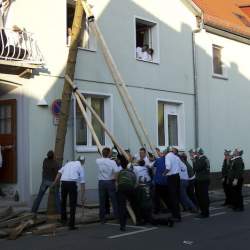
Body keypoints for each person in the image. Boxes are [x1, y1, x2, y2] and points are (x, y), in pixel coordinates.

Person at [53, 156, 85, 230]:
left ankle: (63, 219)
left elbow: (59, 173)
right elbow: (82, 182)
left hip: (63, 183)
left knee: (63, 202)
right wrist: (83, 196)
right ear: (83, 162)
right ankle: (71, 225)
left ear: (77, 159)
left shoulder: (68, 163)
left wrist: (54, 183)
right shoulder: (81, 166)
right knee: (72, 204)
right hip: (72, 184)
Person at [96, 147, 119, 224]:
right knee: (113, 200)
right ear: (109, 154)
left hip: (101, 182)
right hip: (110, 181)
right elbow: (116, 172)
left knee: (102, 201)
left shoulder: (98, 161)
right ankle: (117, 217)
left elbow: (102, 155)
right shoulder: (112, 162)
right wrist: (116, 182)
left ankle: (102, 218)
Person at [163, 146, 181, 222]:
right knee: (176, 196)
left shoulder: (167, 156)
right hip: (177, 177)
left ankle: (175, 215)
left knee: (173, 197)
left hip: (172, 177)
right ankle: (177, 215)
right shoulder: (176, 157)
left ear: (167, 151)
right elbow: (181, 167)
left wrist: (164, 174)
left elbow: (168, 167)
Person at [193, 148, 210, 218]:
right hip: (203, 179)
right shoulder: (204, 158)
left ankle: (205, 213)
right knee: (203, 196)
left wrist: (194, 160)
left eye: (196, 152)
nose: (195, 154)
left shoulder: (202, 159)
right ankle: (204, 211)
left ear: (198, 153)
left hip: (202, 180)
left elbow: (196, 168)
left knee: (202, 197)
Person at [153, 149, 170, 214]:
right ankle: (169, 208)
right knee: (166, 196)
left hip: (159, 181)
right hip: (166, 181)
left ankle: (157, 210)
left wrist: (155, 178)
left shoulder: (158, 160)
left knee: (157, 197)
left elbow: (154, 170)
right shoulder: (169, 161)